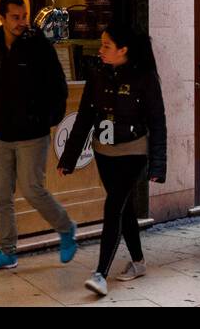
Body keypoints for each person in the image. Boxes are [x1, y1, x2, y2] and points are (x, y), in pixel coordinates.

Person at [58, 23, 166, 297]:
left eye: (107, 45)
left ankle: (100, 273)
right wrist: (68, 158)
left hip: (133, 151)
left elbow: (157, 121)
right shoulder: (97, 72)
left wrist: (158, 164)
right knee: (124, 207)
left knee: (113, 205)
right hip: (103, 151)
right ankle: (139, 262)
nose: (101, 49)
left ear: (124, 50)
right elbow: (84, 117)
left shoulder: (145, 77)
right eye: (101, 44)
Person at [0, 0, 77, 272]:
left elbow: (59, 88)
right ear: (2, 18)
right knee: (1, 195)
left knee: (32, 189)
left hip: (32, 135)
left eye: (24, 16)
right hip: (2, 134)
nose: (22, 22)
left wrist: (45, 119)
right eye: (15, 17)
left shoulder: (38, 46)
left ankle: (66, 228)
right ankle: (6, 251)